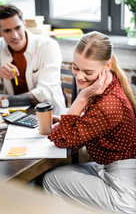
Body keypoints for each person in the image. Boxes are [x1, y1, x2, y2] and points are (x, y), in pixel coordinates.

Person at [43, 31, 136, 214]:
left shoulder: (106, 103)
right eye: (75, 67)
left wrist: (81, 98)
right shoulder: (109, 82)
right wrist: (66, 120)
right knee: (61, 174)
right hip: (115, 170)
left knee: (51, 180)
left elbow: (61, 139)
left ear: (107, 65)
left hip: (123, 190)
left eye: (88, 72)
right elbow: (94, 123)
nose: (79, 77)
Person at [0, 4, 65, 115]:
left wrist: (2, 101)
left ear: (24, 25)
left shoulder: (48, 46)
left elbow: (45, 94)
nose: (15, 36)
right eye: (7, 31)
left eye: (18, 28)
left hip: (49, 115)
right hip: (16, 113)